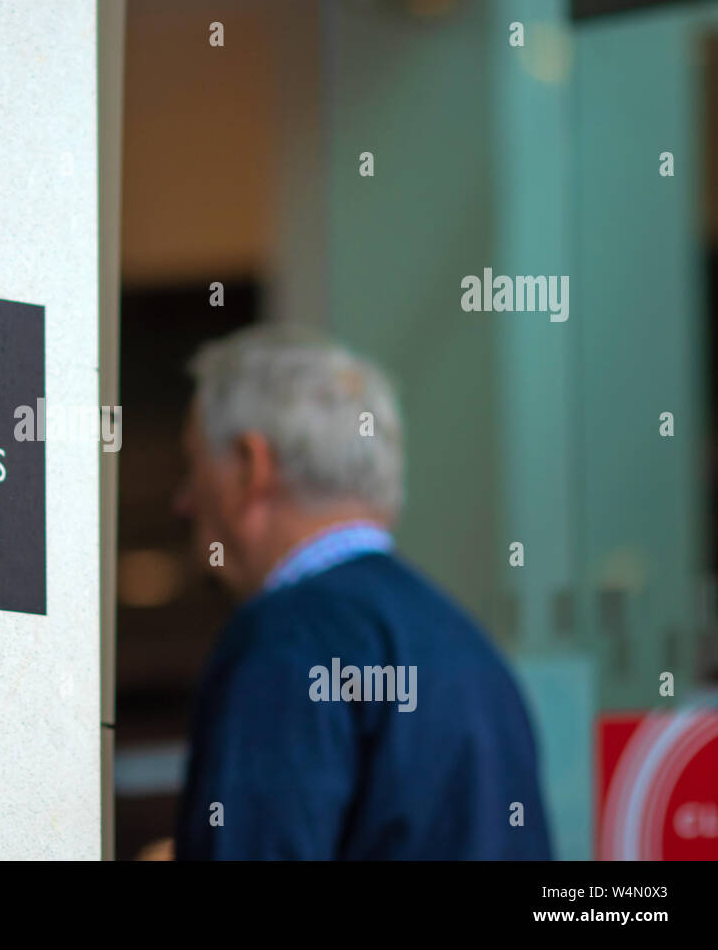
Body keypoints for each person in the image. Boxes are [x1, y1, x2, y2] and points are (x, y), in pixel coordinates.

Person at [165, 324, 552, 860]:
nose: (183, 502)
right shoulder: (474, 651)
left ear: (252, 466)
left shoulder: (285, 640)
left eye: (194, 466)